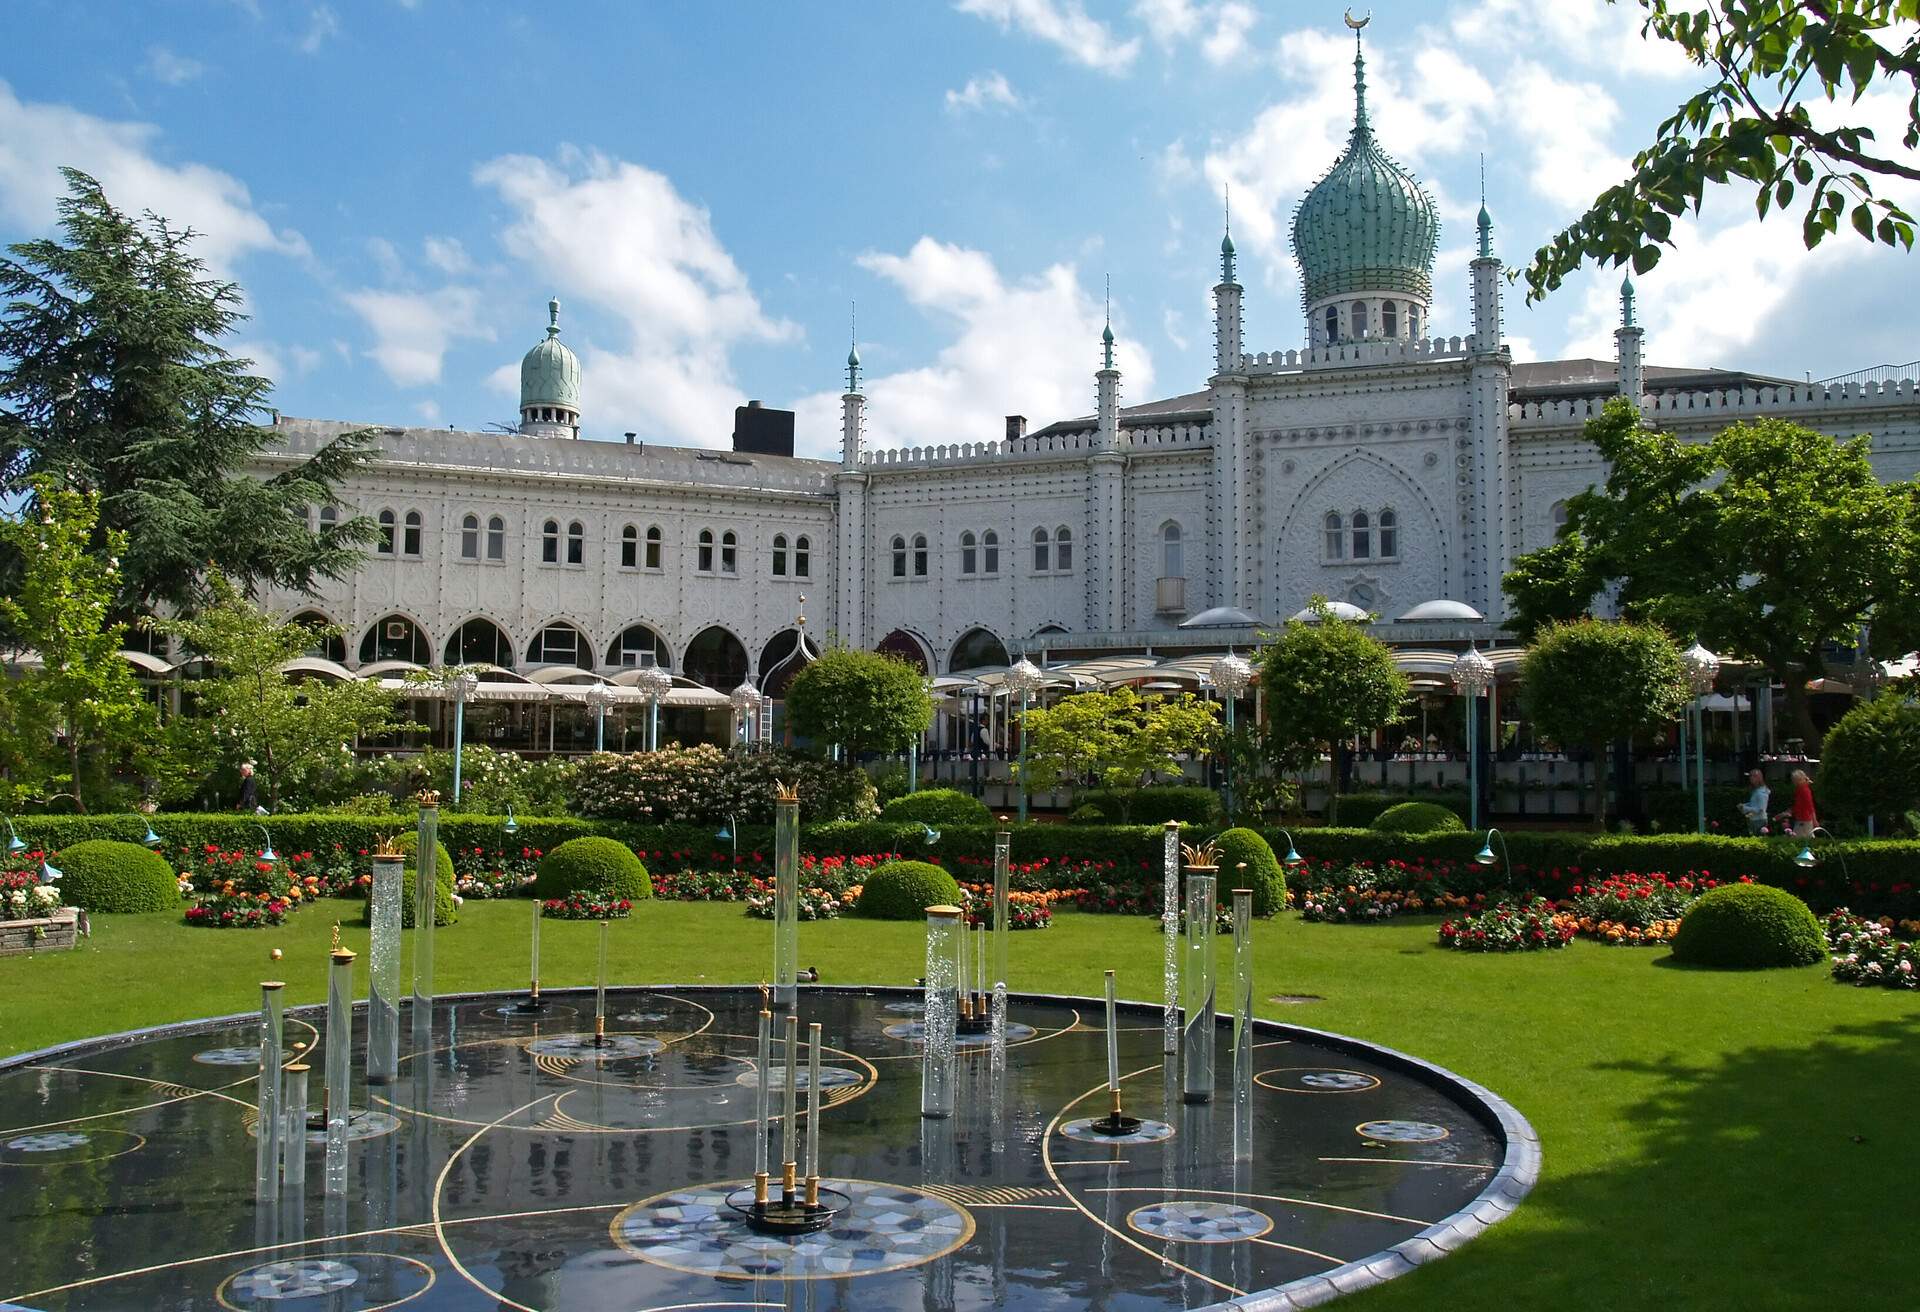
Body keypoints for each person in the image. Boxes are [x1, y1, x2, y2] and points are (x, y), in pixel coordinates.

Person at [1774, 768, 1817, 838]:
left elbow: (1810, 806)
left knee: (1797, 837)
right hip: (1801, 818)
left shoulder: (1804, 790)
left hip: (1804, 819)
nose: (1793, 782)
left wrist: (1814, 820)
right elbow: (1797, 805)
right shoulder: (1800, 790)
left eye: (1794, 780)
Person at [1736, 769, 1771, 835]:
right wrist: (1744, 805)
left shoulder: (1761, 792)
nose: (1751, 778)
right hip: (1753, 819)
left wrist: (1745, 808)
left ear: (1759, 778)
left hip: (1759, 820)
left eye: (1753, 776)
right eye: (1750, 776)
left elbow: (1760, 809)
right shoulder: (1756, 790)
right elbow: (1753, 804)